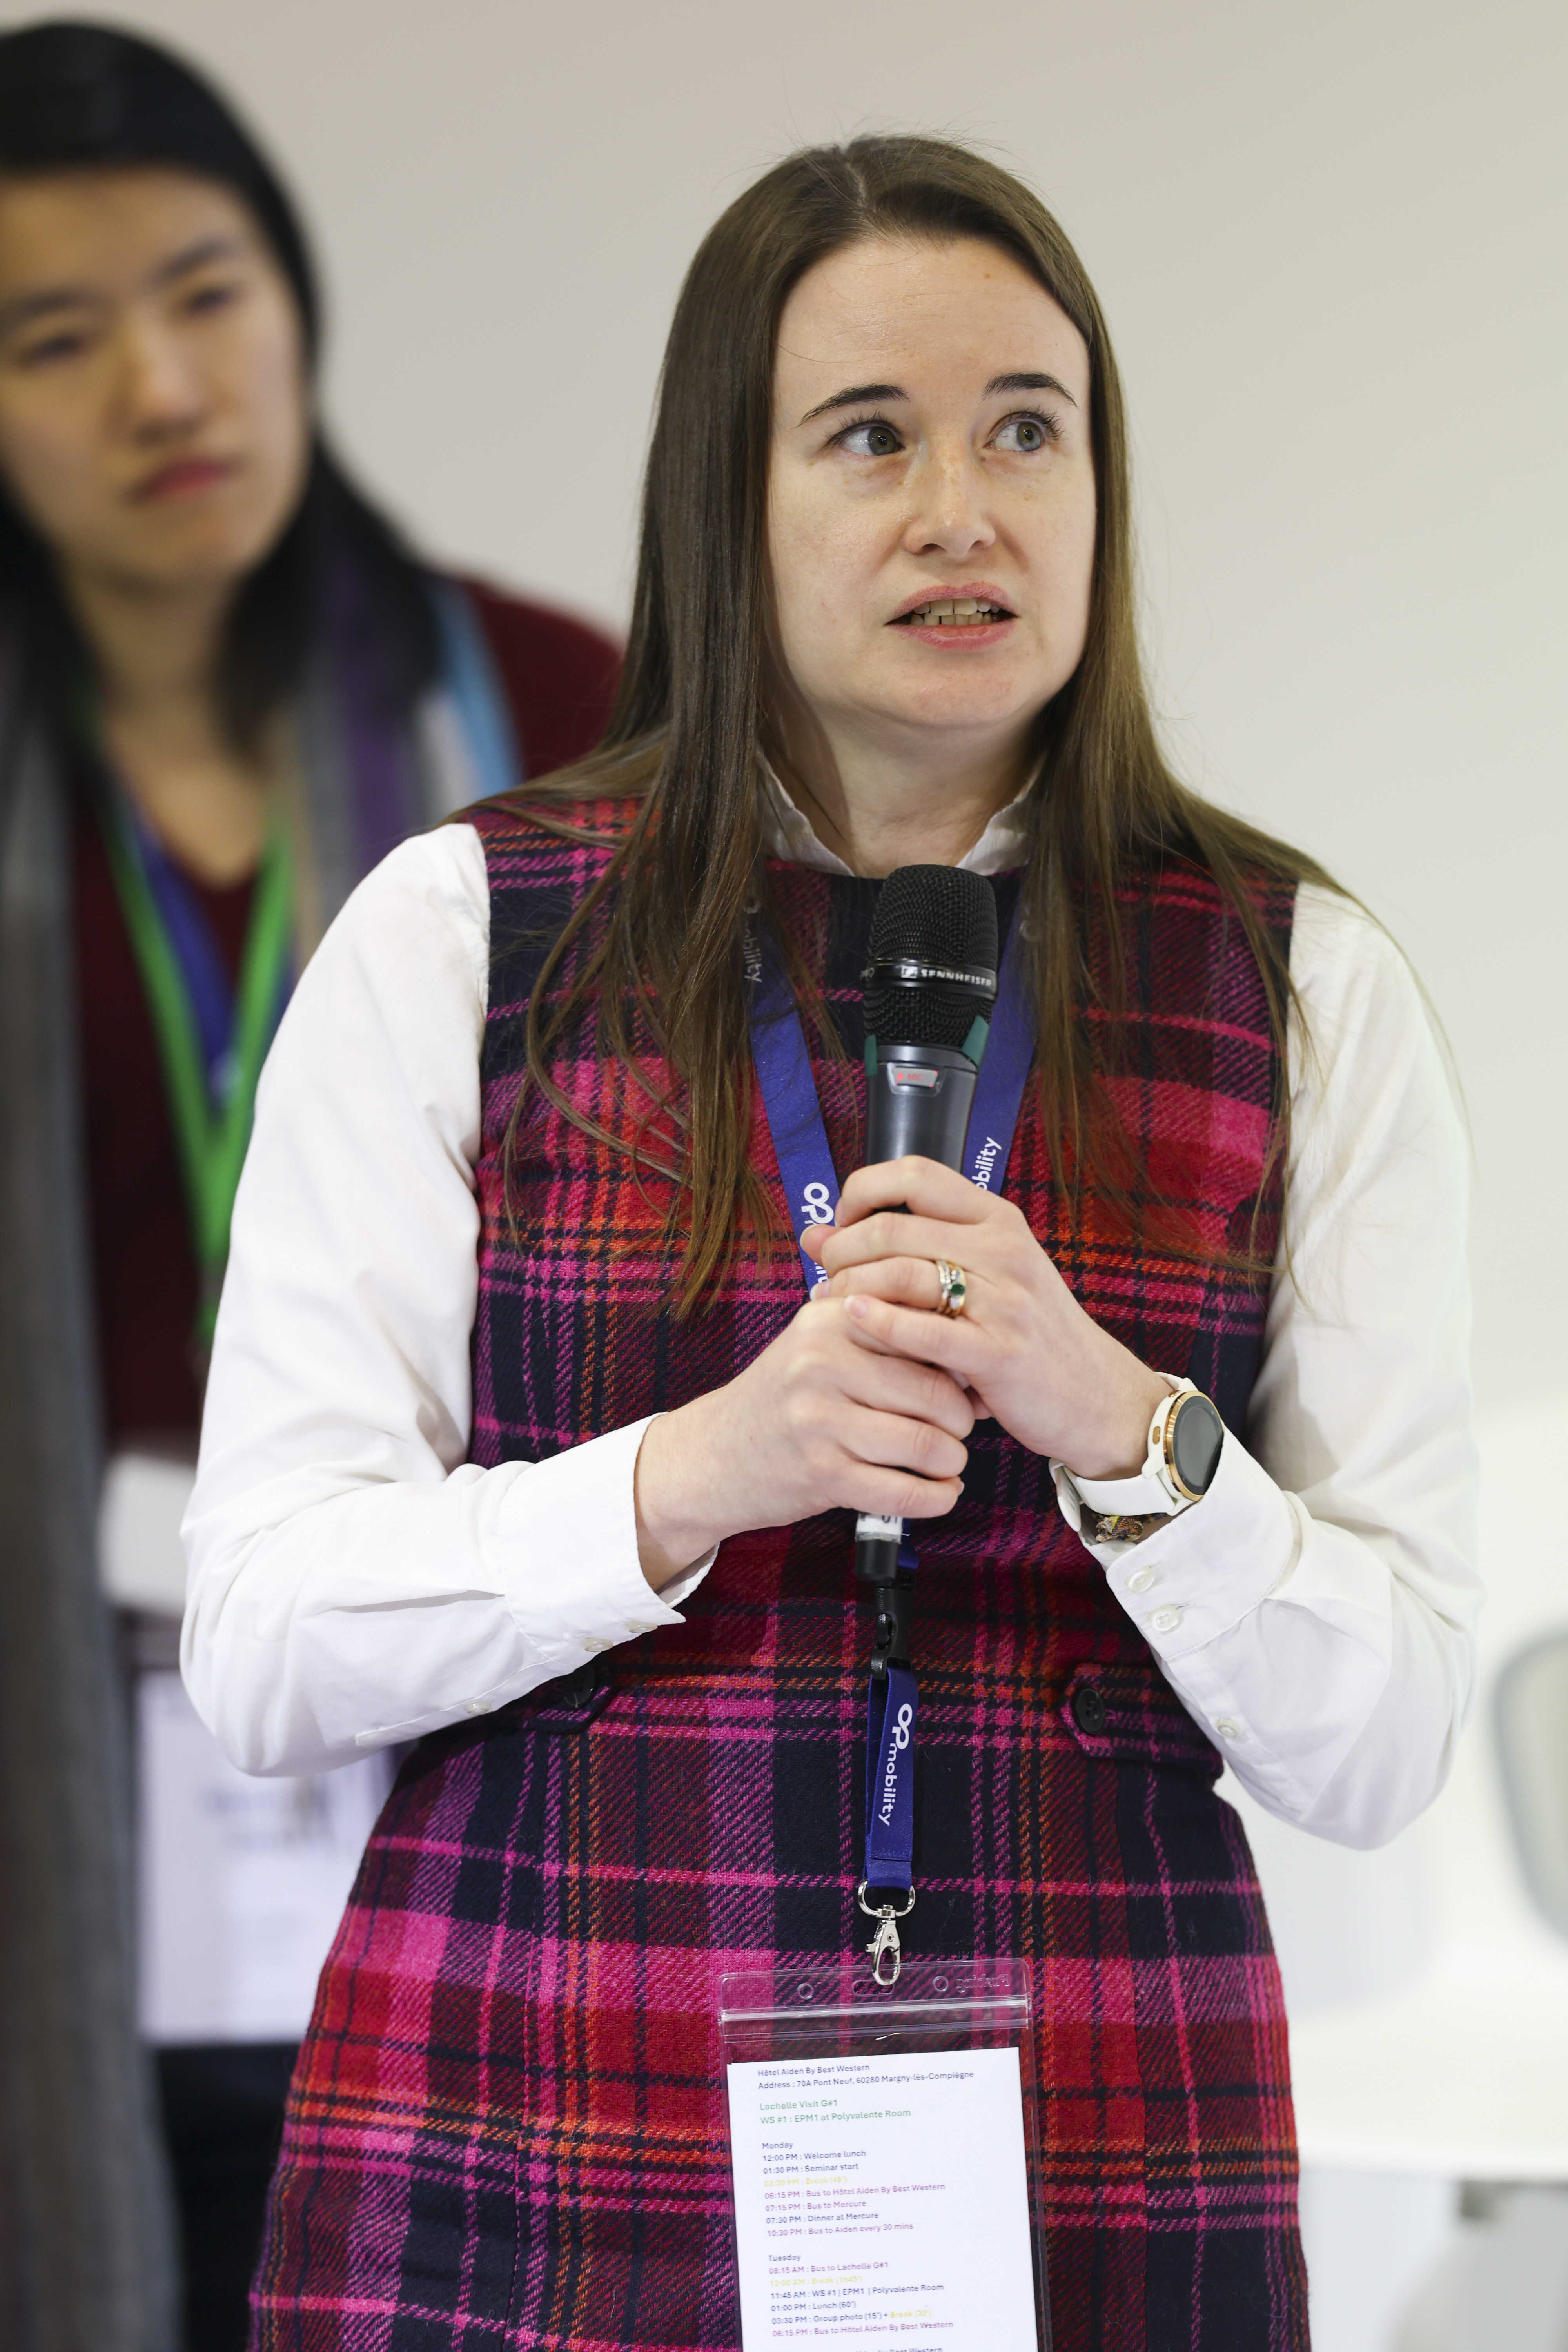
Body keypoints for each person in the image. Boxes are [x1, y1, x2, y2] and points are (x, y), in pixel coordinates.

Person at [185, 134, 1478, 2350]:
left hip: (1094, 2134)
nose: (964, 509)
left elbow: (1383, 1743)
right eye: (872, 436)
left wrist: (1128, 1432)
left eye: (1027, 430)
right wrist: (697, 1474)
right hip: (528, 2119)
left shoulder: (1300, 985)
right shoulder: (465, 937)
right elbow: (263, 1645)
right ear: (731, 500)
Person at [0, 22, 618, 2352]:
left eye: (206, 290)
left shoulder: (556, 721)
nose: (162, 386)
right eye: (54, 338)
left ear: (293, 294)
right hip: (57, 1748)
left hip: (486, 1690)